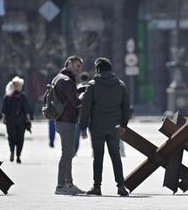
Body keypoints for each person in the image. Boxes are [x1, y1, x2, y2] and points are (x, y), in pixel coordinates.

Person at [80, 57, 130, 196]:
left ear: (98, 69)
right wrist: (124, 124)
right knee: (116, 156)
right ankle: (121, 186)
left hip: (97, 127)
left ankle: (97, 187)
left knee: (98, 157)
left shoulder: (92, 85)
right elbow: (126, 107)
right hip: (115, 126)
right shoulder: (120, 85)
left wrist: (83, 127)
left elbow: (86, 108)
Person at [53, 55, 85, 195]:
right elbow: (75, 103)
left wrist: (79, 90)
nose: (79, 70)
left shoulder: (58, 78)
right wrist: (84, 96)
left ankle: (69, 184)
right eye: (77, 66)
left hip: (61, 120)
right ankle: (61, 186)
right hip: (67, 121)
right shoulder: (67, 81)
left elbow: (66, 97)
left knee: (68, 153)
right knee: (67, 154)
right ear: (70, 63)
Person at [2, 76, 31, 164]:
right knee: (19, 139)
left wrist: (4, 118)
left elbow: (4, 109)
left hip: (12, 121)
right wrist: (28, 119)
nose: (21, 87)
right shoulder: (19, 96)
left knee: (13, 138)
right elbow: (26, 109)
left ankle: (14, 153)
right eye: (20, 85)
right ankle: (16, 155)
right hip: (19, 121)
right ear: (16, 86)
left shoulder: (9, 96)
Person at [74, 72, 90, 155]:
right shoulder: (91, 87)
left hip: (79, 114)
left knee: (76, 134)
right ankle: (95, 151)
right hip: (90, 114)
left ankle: (75, 151)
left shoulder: (77, 87)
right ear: (88, 79)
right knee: (93, 134)